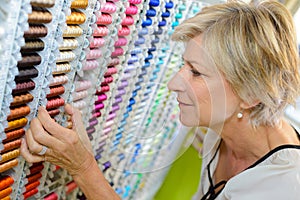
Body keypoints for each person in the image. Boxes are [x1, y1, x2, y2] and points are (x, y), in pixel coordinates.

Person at [20, 0, 300, 199]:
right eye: (184, 65)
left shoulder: (283, 189)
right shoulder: (226, 130)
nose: (174, 83)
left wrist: (83, 167)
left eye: (196, 72)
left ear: (250, 94)